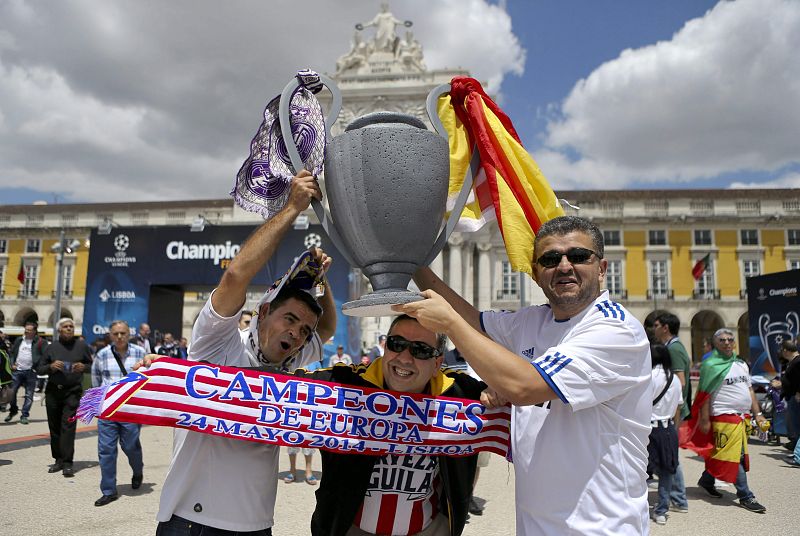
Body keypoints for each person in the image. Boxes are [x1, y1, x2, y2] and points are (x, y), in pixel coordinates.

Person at [403, 215, 652, 534]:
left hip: (600, 528)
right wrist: (410, 261)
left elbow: (523, 387)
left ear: (601, 268)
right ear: (536, 273)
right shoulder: (532, 322)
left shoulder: (615, 330)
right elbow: (473, 319)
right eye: (550, 259)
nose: (564, 266)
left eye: (578, 256)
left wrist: (450, 324)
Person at [147, 169, 336, 536]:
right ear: (263, 311)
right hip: (192, 522)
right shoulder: (218, 342)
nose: (296, 335)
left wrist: (322, 282)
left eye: (302, 331)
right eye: (290, 320)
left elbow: (325, 329)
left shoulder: (289, 359)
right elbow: (235, 276)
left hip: (256, 525)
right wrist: (292, 209)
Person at [292, 314, 489, 536]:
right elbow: (276, 383)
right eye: (397, 344)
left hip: (426, 529)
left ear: (437, 364)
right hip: (351, 530)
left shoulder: (460, 394)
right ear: (385, 347)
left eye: (421, 350)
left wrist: (498, 391)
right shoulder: (343, 385)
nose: (404, 358)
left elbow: (518, 394)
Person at [690, 328, 767, 513]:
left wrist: (758, 414)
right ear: (716, 343)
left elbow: (749, 391)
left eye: (730, 339)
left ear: (734, 342)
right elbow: (705, 395)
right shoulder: (710, 365)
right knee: (735, 457)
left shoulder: (741, 364)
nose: (726, 342)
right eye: (722, 340)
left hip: (742, 418)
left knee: (722, 453)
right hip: (723, 417)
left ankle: (707, 480)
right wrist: (705, 419)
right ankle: (746, 496)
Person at [91, 320, 146, 506]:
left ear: (128, 334)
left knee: (131, 446)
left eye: (123, 333)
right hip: (108, 410)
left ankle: (137, 471)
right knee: (106, 450)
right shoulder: (102, 355)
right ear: (110, 335)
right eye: (116, 334)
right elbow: (96, 379)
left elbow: (148, 379)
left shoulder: (140, 353)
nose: (119, 337)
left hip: (131, 410)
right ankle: (108, 490)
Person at [37, 317, 93, 477]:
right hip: (53, 392)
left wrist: (84, 367)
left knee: (68, 427)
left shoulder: (81, 346)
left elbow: (92, 366)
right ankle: (58, 460)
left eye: (71, 326)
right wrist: (50, 367)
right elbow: (39, 369)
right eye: (66, 327)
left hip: (72, 392)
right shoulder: (51, 347)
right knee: (54, 427)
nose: (69, 329)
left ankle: (68, 463)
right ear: (59, 330)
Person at [652, 312, 690, 513]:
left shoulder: (673, 349)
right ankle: (677, 496)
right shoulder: (673, 346)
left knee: (670, 459)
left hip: (667, 411)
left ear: (665, 327)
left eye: (656, 325)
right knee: (669, 457)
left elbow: (680, 382)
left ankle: (677, 496)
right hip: (669, 410)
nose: (654, 328)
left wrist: (675, 414)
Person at [647, 344, 683, 526]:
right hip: (668, 428)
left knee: (641, 469)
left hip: (648, 428)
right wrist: (675, 428)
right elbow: (679, 406)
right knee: (668, 471)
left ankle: (637, 506)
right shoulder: (675, 378)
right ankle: (662, 509)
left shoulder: (648, 377)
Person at [5, 321, 49, 424]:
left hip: (31, 372)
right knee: (11, 393)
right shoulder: (19, 340)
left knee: (29, 395)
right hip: (17, 371)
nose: (26, 331)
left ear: (34, 331)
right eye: (26, 329)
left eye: (29, 330)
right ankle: (13, 410)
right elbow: (12, 353)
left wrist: (37, 366)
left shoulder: (41, 342)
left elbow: (45, 356)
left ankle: (24, 415)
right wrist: (12, 364)